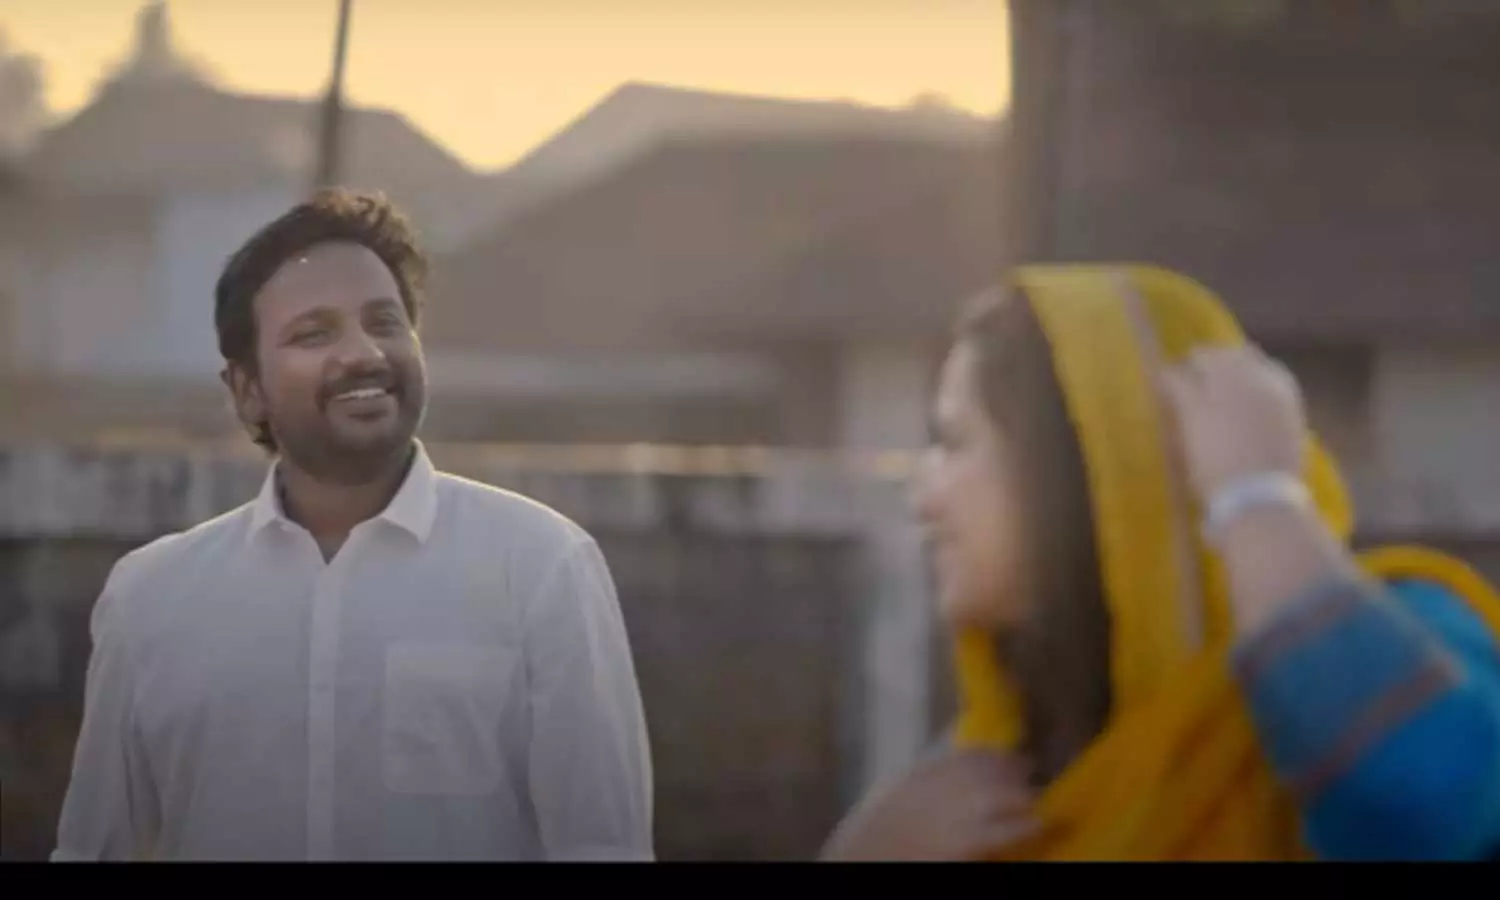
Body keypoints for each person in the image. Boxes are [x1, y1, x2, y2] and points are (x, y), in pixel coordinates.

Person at [52, 189, 654, 861]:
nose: (364, 353)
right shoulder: (150, 599)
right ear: (248, 390)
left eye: (384, 322)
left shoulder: (541, 568)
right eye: (314, 333)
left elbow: (605, 847)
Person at [821, 265, 1500, 861]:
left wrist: (1255, 497)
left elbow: (1424, 805)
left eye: (954, 443)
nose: (924, 497)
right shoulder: (992, 777)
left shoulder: (1399, 640)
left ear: (1087, 467)